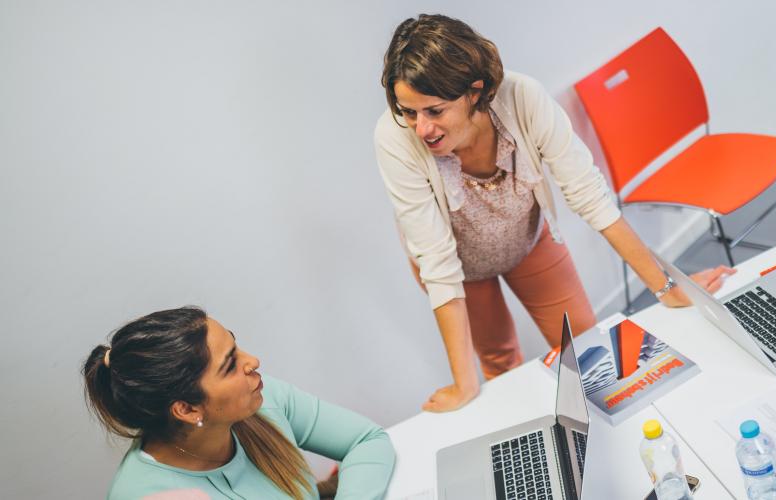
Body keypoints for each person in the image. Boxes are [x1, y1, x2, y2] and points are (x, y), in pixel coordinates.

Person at [374, 14, 732, 412]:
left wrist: (667, 289)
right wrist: (464, 385)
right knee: (500, 367)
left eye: (434, 111)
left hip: (527, 241)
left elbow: (591, 197)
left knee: (590, 351)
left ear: (474, 91)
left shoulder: (523, 97)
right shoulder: (394, 139)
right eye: (409, 112)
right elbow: (439, 267)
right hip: (460, 268)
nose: (421, 129)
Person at [83, 307, 395, 499]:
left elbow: (366, 440)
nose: (253, 361)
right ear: (188, 409)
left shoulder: (261, 397)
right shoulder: (147, 495)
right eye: (230, 365)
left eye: (236, 346)